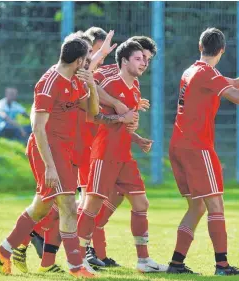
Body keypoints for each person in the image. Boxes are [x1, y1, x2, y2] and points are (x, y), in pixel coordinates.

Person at [166, 27, 239, 276]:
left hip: (179, 145)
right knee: (216, 206)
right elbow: (238, 96)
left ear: (199, 46)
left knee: (197, 207)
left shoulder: (193, 70)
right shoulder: (207, 74)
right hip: (197, 147)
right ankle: (222, 266)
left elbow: (234, 83)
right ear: (222, 50)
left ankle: (176, 263)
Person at [0, 37, 99, 279]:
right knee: (69, 206)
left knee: (41, 207)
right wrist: (49, 166)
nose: (89, 61)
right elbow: (38, 128)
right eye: (87, 58)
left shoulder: (76, 80)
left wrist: (91, 86)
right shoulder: (49, 83)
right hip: (48, 150)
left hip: (64, 151)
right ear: (79, 60)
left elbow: (92, 111)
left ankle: (3, 251)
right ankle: (75, 266)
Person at [77, 40, 167, 273]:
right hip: (104, 153)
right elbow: (90, 94)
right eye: (139, 58)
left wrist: (137, 138)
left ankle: (143, 261)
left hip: (124, 155)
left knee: (141, 203)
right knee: (91, 206)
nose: (144, 63)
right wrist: (117, 107)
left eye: (146, 59)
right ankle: (77, 257)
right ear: (124, 61)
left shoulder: (135, 86)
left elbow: (127, 122)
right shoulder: (108, 79)